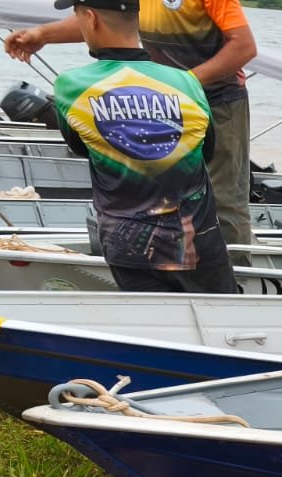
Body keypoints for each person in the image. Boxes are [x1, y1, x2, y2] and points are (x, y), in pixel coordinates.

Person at [7, 0, 257, 256]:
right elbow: (105, 18)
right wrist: (42, 35)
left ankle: (237, 275)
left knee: (223, 200)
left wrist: (183, 85)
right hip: (160, 103)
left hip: (217, 101)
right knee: (161, 197)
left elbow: (244, 46)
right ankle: (169, 268)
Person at [47, 0, 237, 293]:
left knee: (156, 328)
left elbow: (81, 147)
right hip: (199, 242)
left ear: (90, 17)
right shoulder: (187, 83)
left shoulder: (71, 85)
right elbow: (206, 151)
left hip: (128, 248)